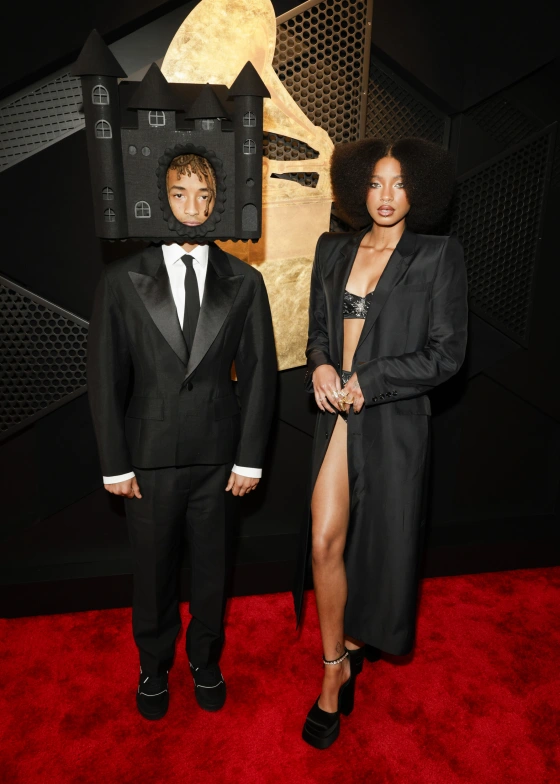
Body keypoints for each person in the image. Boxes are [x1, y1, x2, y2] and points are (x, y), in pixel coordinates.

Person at [87, 153, 276, 720]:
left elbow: (261, 373)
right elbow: (104, 376)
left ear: (219, 202)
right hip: (146, 462)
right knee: (152, 572)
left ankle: (205, 660)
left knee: (214, 570)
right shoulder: (122, 279)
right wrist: (114, 464)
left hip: (221, 461)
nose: (193, 208)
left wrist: (250, 459)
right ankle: (152, 667)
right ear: (160, 197)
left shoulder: (244, 281)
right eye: (179, 194)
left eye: (204, 195)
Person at [294, 138, 468, 749]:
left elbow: (446, 355)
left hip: (393, 423)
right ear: (356, 189)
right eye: (375, 183)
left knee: (377, 549)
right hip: (334, 415)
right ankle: (332, 666)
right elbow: (319, 330)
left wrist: (372, 379)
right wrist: (320, 365)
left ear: (418, 188)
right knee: (323, 541)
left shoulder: (436, 255)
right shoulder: (333, 247)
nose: (387, 196)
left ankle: (352, 648)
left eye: (398, 183)